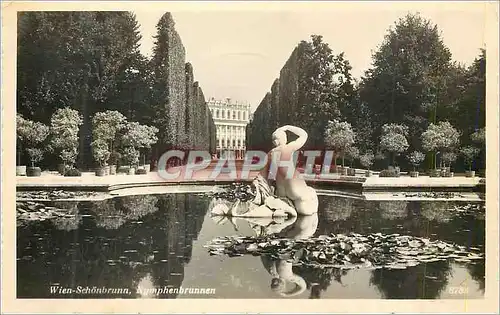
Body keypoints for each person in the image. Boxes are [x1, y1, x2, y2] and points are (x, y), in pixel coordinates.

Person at [260, 125, 319, 216]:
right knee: (308, 203)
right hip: (294, 186)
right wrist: (287, 127)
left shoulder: (270, 154)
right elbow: (304, 135)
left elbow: (263, 177)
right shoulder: (288, 147)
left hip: (281, 191)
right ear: (283, 139)